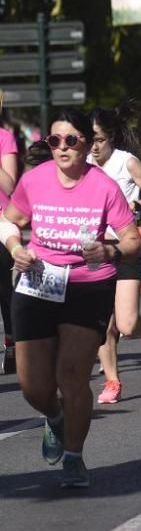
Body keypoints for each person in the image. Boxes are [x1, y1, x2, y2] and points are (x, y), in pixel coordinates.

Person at [1, 108, 141, 487]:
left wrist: (109, 251)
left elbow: (132, 240)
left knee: (72, 374)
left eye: (71, 140)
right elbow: (8, 219)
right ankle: (56, 416)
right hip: (38, 281)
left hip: (87, 284)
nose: (62, 148)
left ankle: (74, 456)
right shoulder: (34, 180)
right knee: (33, 387)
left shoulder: (103, 186)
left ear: (86, 143)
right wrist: (15, 247)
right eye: (54, 141)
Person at [89, 101, 141, 404]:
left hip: (127, 248)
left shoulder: (126, 162)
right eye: (89, 139)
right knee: (103, 325)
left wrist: (134, 205)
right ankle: (112, 381)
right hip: (96, 252)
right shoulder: (82, 165)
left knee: (126, 324)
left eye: (99, 139)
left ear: (111, 137)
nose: (93, 147)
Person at [0, 123, 19, 374]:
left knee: (4, 286)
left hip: (1, 219)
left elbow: (10, 186)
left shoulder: (5, 138)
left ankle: (12, 340)